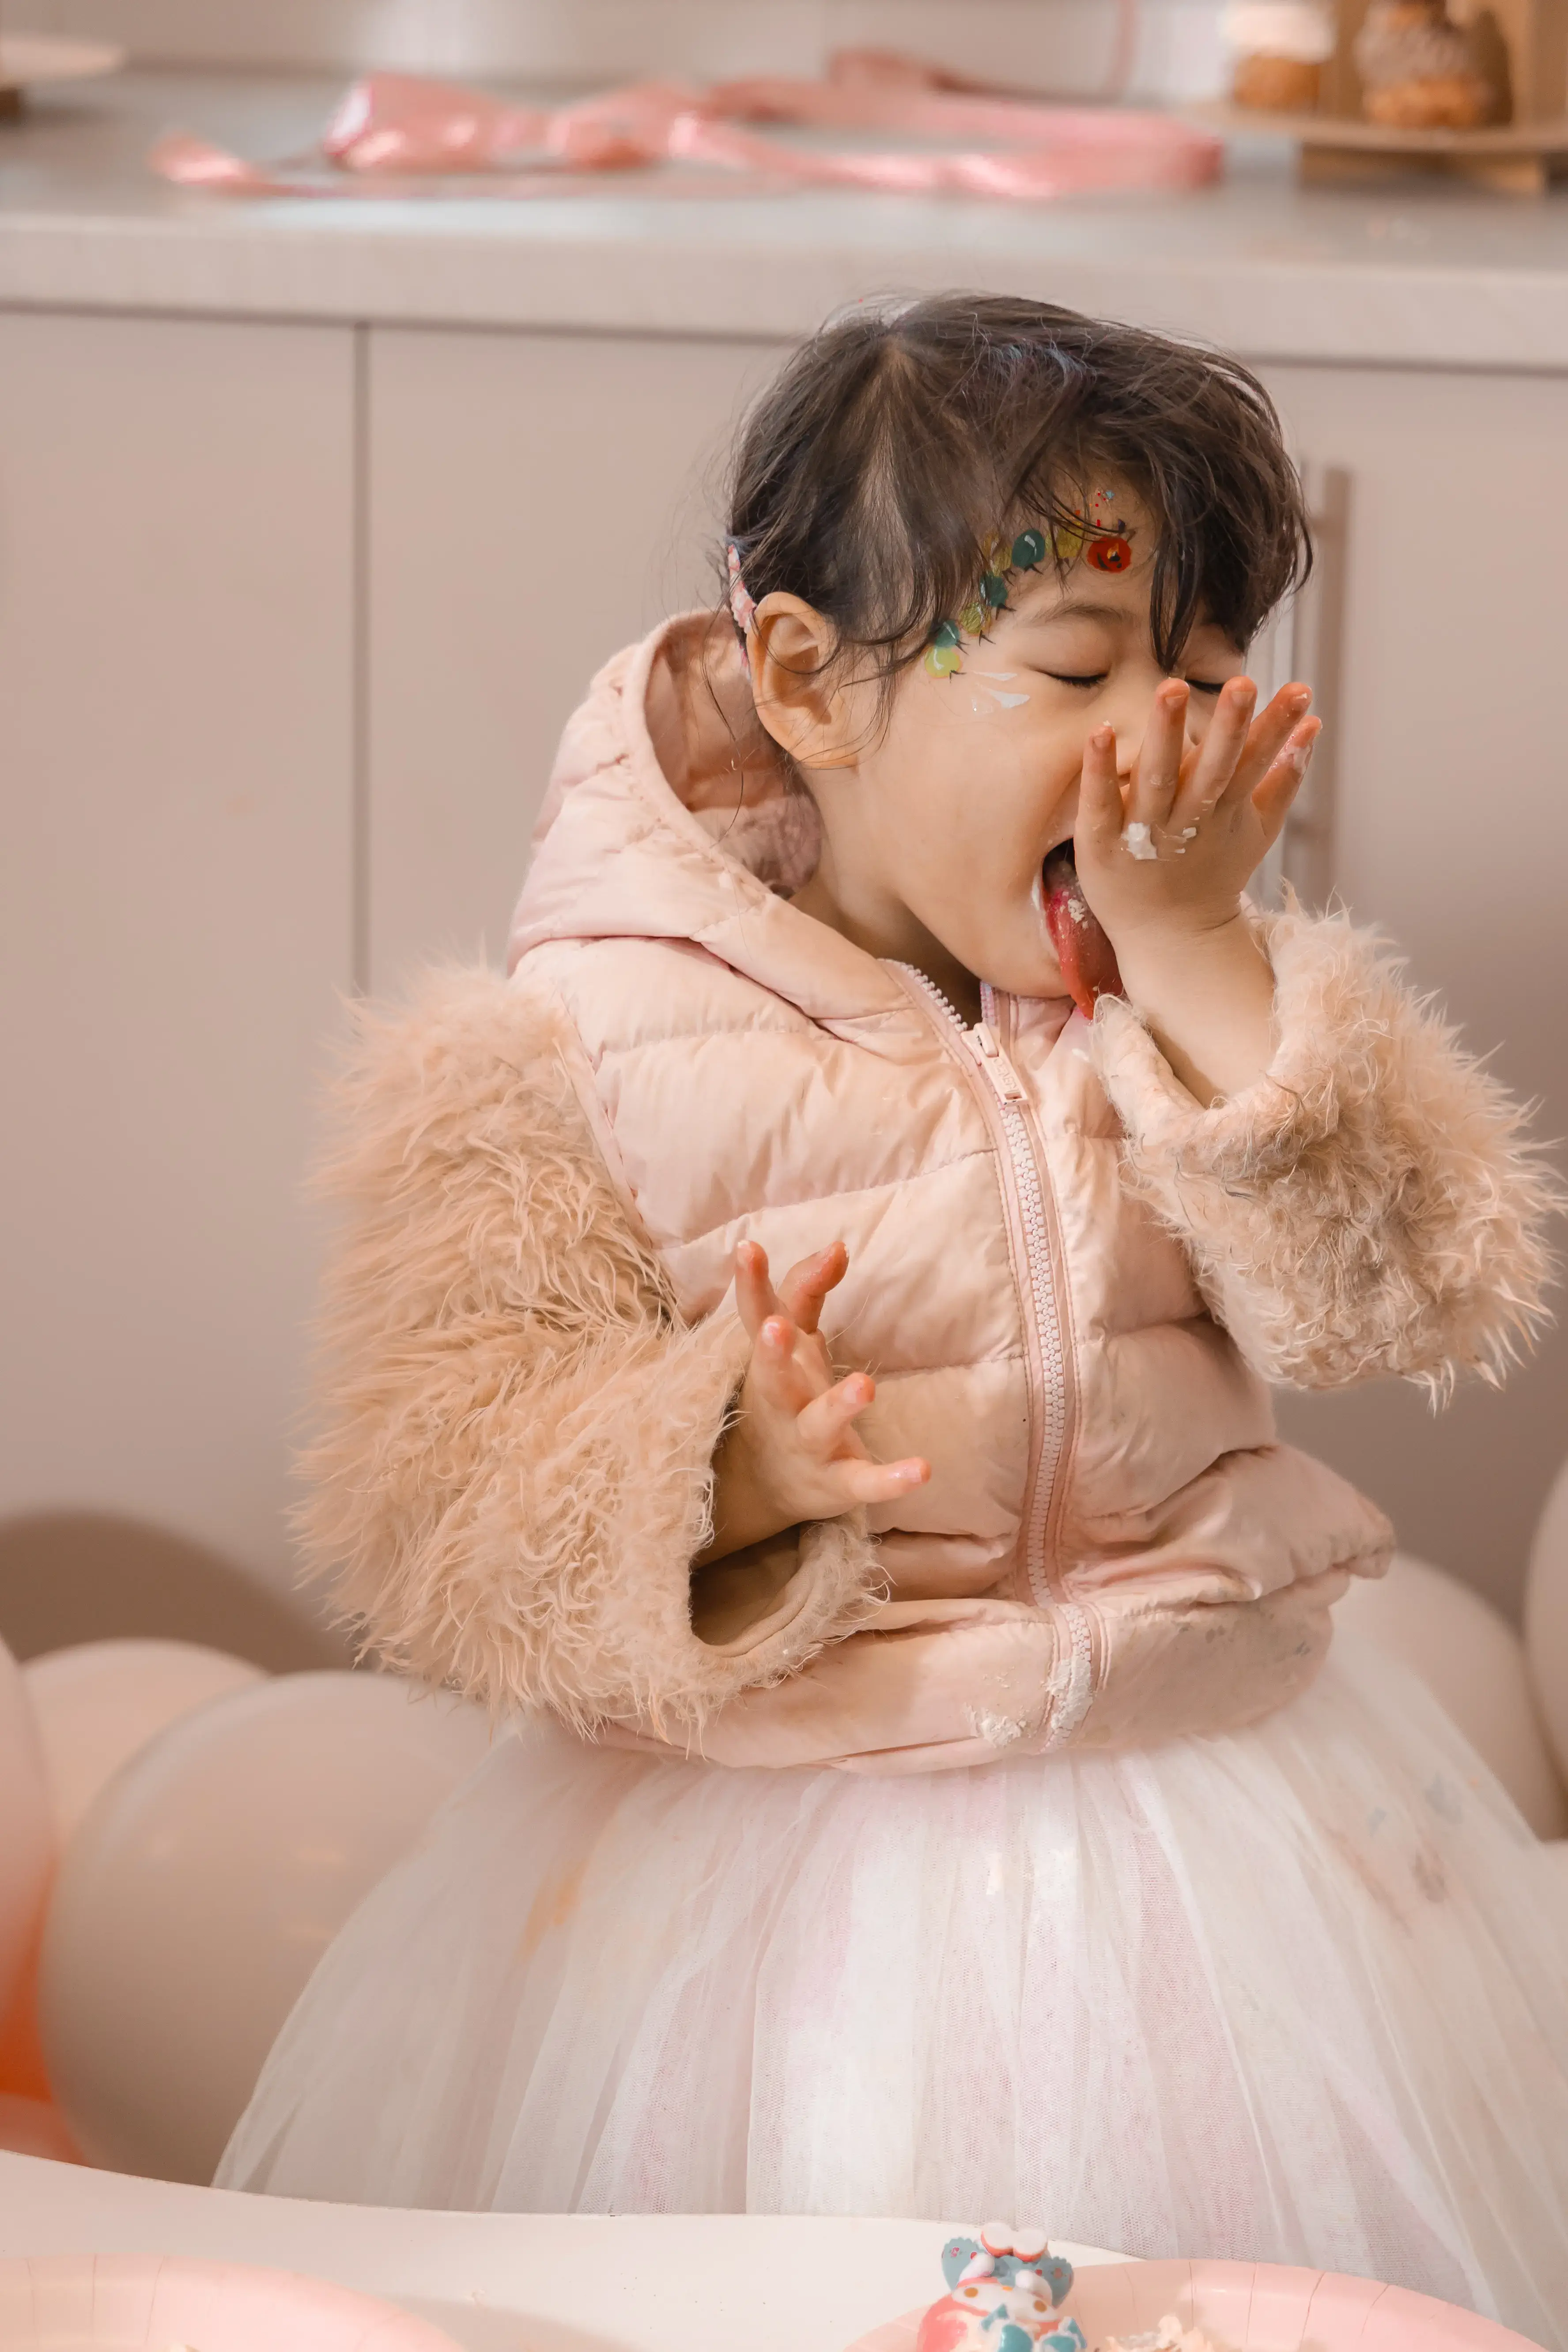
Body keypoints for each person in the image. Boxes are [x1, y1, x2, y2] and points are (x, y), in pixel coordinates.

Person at [217, 296, 1568, 2337]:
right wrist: (719, 1467)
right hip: (775, 1877)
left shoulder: (1178, 979)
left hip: (1208, 1832)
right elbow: (438, 1518)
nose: (1156, 745)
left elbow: (1411, 1286)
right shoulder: (564, 1052)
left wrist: (1200, 963)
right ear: (805, 681)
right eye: (1076, 665)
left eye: (1204, 677)